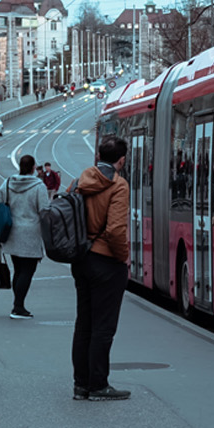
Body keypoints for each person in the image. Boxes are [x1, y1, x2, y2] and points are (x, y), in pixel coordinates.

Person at [71, 137, 132, 401]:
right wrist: (123, 258)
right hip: (106, 261)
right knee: (103, 326)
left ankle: (81, 384)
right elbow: (116, 230)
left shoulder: (79, 181)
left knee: (84, 324)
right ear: (122, 160)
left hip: (81, 258)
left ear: (98, 157)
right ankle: (98, 384)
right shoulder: (118, 185)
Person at [1, 155, 49, 319]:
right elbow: (44, 210)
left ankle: (17, 304)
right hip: (31, 233)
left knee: (18, 270)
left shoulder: (7, 183)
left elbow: (0, 204)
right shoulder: (39, 186)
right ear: (33, 168)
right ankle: (18, 307)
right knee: (28, 271)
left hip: (12, 232)